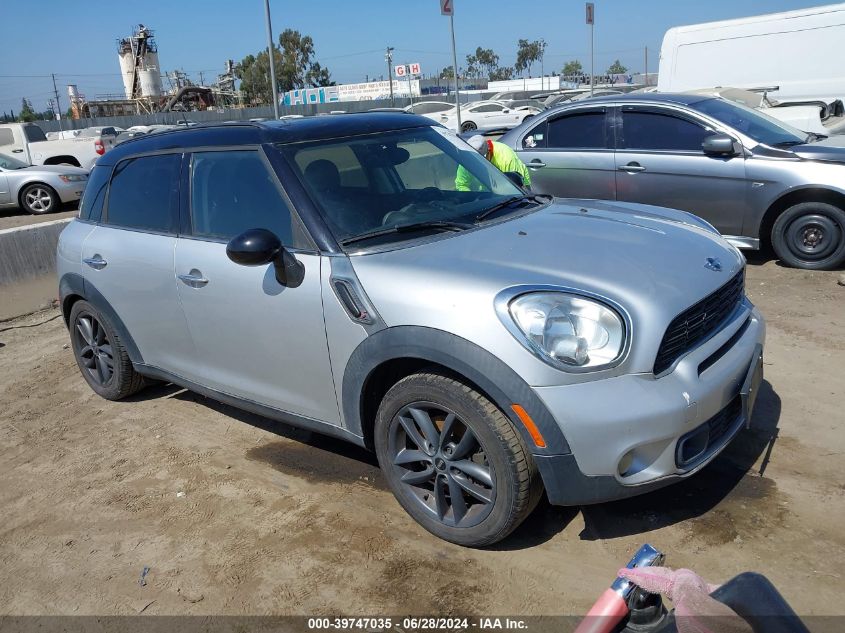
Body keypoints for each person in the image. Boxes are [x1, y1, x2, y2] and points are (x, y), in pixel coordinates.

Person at [455, 135, 531, 191]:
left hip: (518, 187)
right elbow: (461, 184)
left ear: (488, 151)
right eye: (474, 159)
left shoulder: (505, 157)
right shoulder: (468, 158)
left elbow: (515, 186)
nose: (476, 163)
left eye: (480, 159)